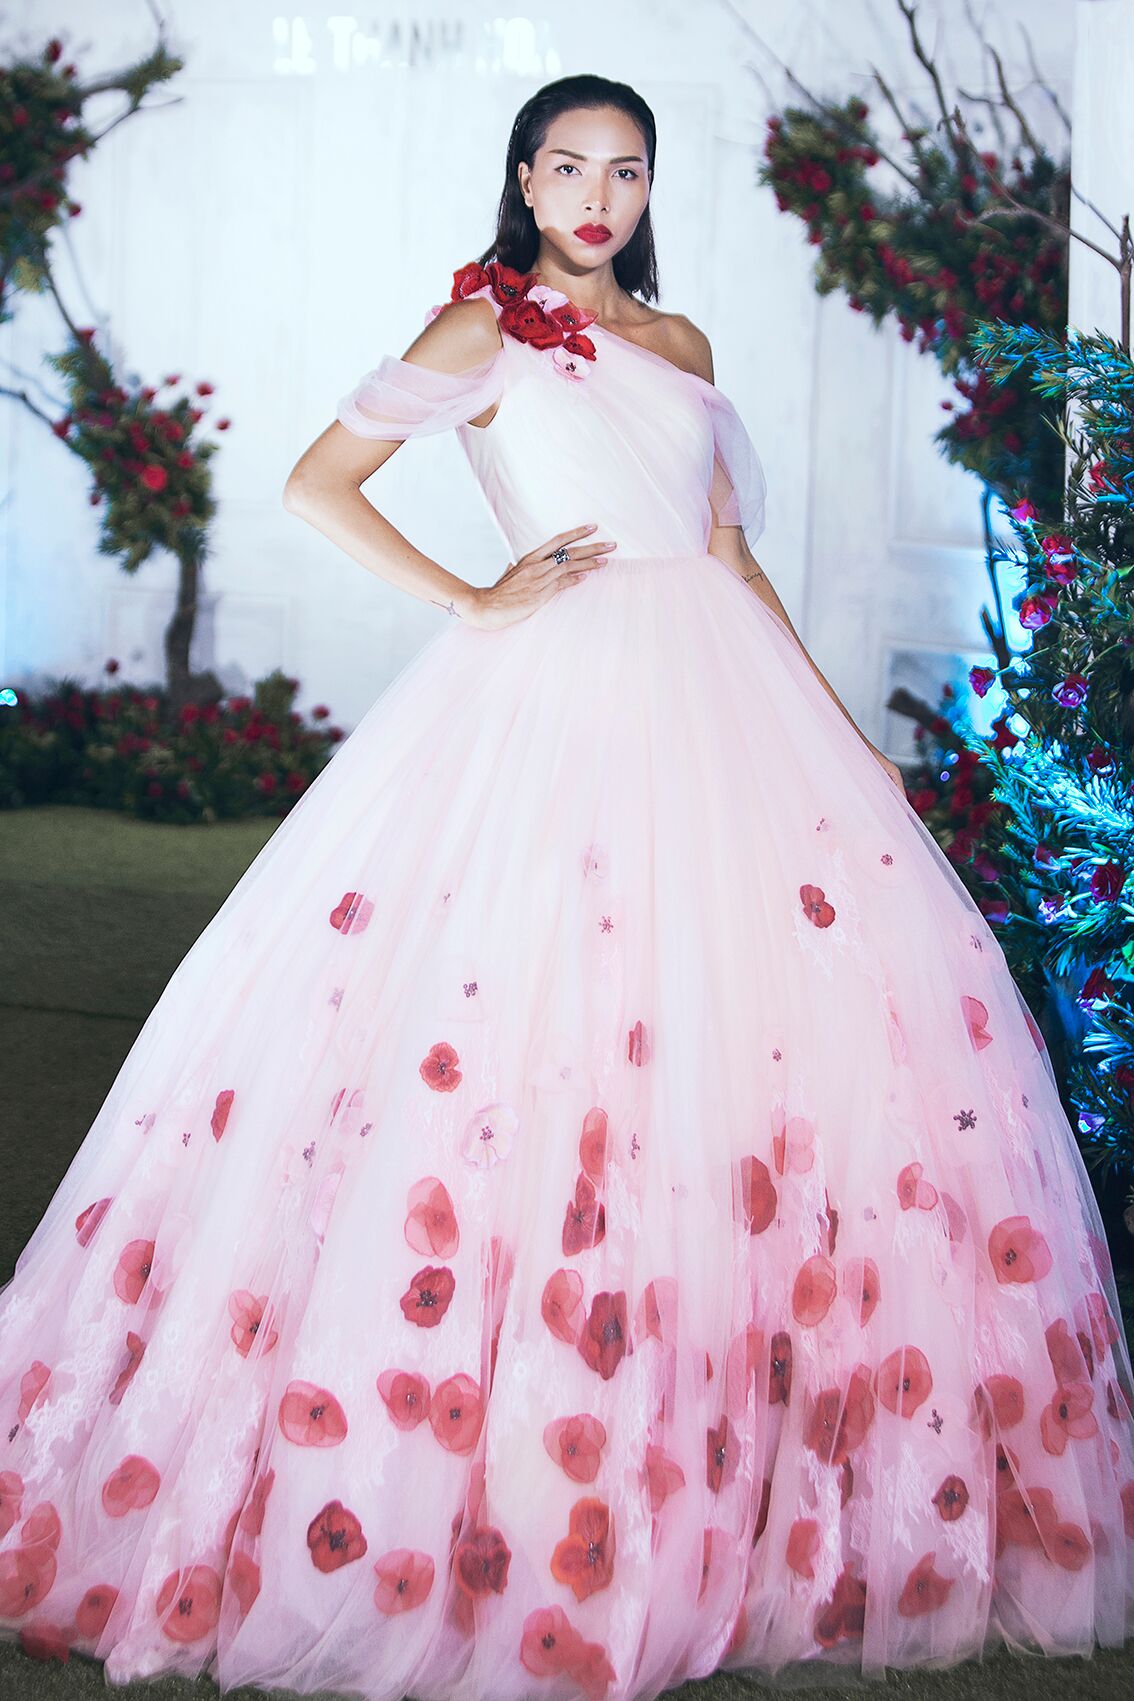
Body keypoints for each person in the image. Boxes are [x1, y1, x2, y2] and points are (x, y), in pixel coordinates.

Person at [1, 70, 1132, 1701]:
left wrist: (842, 734)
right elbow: (318, 482)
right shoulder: (484, 328)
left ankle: (735, 1444)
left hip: (724, 691)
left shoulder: (680, 346)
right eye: (568, 167)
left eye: (625, 171)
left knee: (751, 1028)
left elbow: (728, 555)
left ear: (648, 190)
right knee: (543, 1017)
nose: (596, 197)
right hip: (556, 697)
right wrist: (473, 597)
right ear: (524, 182)